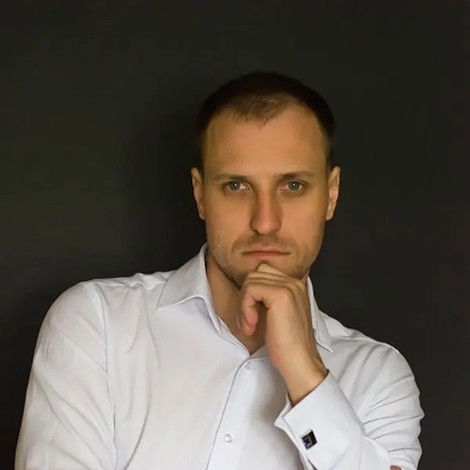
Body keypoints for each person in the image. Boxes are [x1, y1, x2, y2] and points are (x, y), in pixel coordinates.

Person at [15, 71, 424, 470]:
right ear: (200, 195)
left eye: (293, 186)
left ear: (331, 195)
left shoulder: (378, 377)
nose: (265, 221)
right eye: (236, 186)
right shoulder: (98, 324)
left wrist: (305, 372)